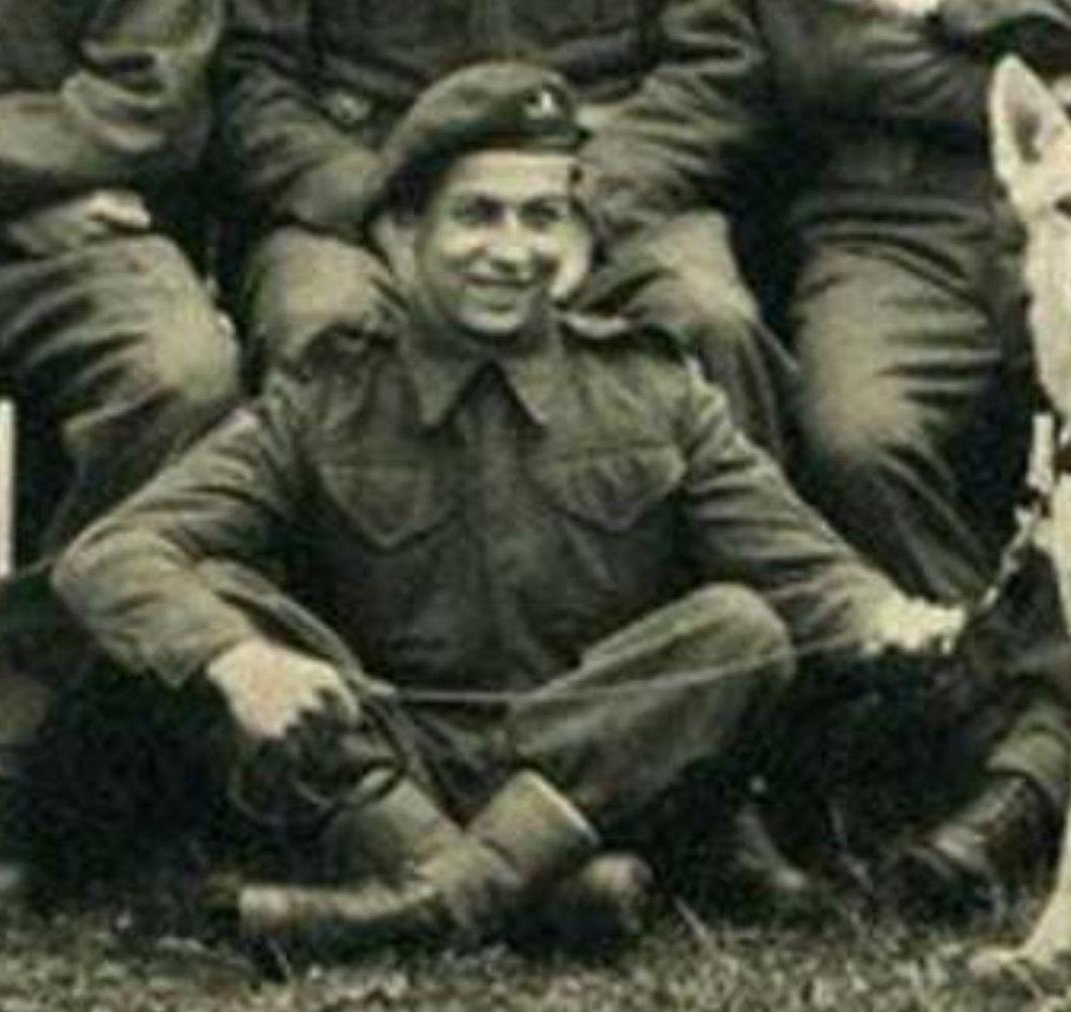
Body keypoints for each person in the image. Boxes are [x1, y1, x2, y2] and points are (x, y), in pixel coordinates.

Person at [52, 62, 960, 955]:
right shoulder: (326, 395)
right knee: (210, 597)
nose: (512, 250)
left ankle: (426, 903)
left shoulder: (652, 388)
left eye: (542, 217)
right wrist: (237, 659)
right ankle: (542, 891)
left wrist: (883, 614)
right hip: (393, 768)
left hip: (593, 759)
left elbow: (793, 560)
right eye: (476, 215)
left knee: (741, 627)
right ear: (403, 233)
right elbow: (109, 555)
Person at [577, 0, 1071, 914]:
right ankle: (1009, 742)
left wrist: (961, 12)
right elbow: (829, 57)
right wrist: (1048, 63)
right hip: (891, 219)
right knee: (861, 438)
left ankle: (1031, 783)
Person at [215, 0, 795, 459]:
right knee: (319, 318)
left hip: (608, 177)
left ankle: (744, 584)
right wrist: (379, 209)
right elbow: (251, 83)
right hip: (370, 189)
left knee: (706, 316)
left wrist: (592, 205)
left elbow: (718, 70)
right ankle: (310, 597)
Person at [0, 0, 241, 894]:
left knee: (178, 375)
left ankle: (10, 738)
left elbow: (148, 102)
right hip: (50, 198)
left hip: (79, 234)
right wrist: (16, 188)